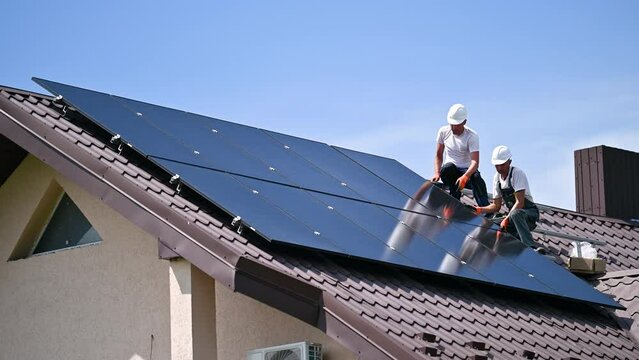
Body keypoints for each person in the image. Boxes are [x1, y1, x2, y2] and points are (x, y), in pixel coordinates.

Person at [473, 145, 540, 248]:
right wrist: (479, 210)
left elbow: (520, 202)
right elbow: (496, 206)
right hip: (513, 217)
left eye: (502, 164)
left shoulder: (517, 174)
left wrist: (507, 219)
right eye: (497, 165)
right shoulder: (497, 178)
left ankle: (530, 247)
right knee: (492, 223)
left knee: (515, 214)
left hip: (528, 215)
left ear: (509, 162)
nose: (499, 168)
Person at [431, 103, 489, 206]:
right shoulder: (443, 132)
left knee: (476, 177)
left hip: (467, 173)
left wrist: (465, 176)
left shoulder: (471, 136)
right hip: (451, 172)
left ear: (464, 122)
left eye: (457, 125)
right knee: (446, 168)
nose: (454, 128)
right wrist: (436, 172)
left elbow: (475, 162)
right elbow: (439, 154)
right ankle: (455, 200)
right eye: (452, 124)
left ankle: (485, 207)